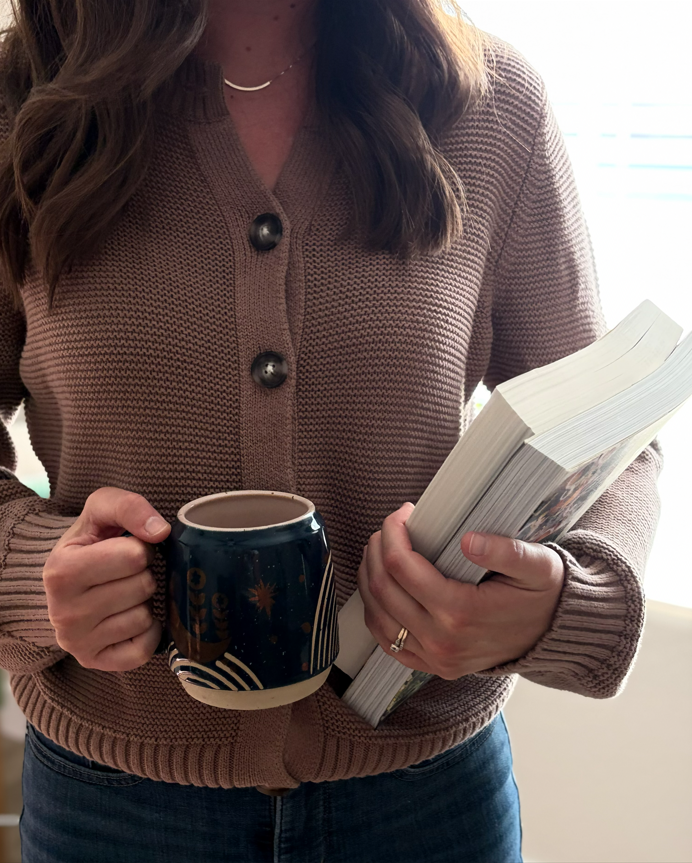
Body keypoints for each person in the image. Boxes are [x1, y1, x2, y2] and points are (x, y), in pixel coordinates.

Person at [0, 1, 662, 861]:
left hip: (427, 807)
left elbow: (615, 433)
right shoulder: (23, 107)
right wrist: (29, 570)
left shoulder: (490, 107)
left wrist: (558, 601)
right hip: (114, 812)